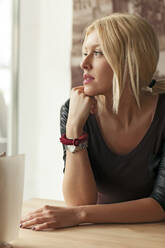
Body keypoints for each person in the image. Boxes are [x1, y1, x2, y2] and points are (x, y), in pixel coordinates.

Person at [20, 13, 165, 231]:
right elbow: (79, 201)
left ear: (131, 59)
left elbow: (161, 204)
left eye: (97, 53)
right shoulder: (74, 110)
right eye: (84, 53)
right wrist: (73, 128)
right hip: (100, 231)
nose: (84, 64)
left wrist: (80, 214)